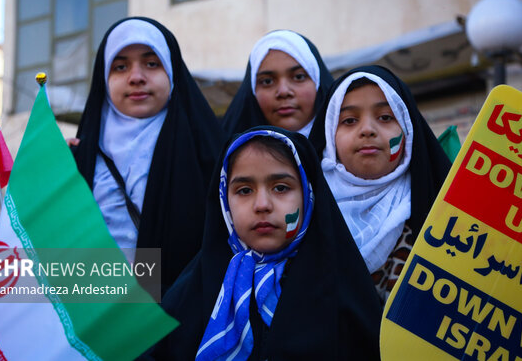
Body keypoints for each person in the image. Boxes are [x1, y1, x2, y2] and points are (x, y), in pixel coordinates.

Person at [146, 127, 382, 360]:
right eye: (244, 190)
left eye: (281, 188)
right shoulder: (193, 291)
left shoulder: (343, 289)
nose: (262, 204)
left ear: (309, 195)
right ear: (224, 200)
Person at [71, 17, 224, 294]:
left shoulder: (209, 151)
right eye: (120, 66)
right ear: (104, 78)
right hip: (94, 312)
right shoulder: (75, 155)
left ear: (172, 71)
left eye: (151, 63)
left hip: (181, 317)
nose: (136, 77)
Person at [309, 65, 452, 305]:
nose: (367, 130)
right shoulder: (305, 212)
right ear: (329, 136)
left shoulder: (441, 213)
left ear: (408, 129)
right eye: (349, 120)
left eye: (386, 117)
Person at [221, 30, 334, 138]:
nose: (283, 92)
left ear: (318, 83)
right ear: (252, 91)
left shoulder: (347, 153)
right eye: (267, 81)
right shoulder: (233, 156)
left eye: (299, 77)